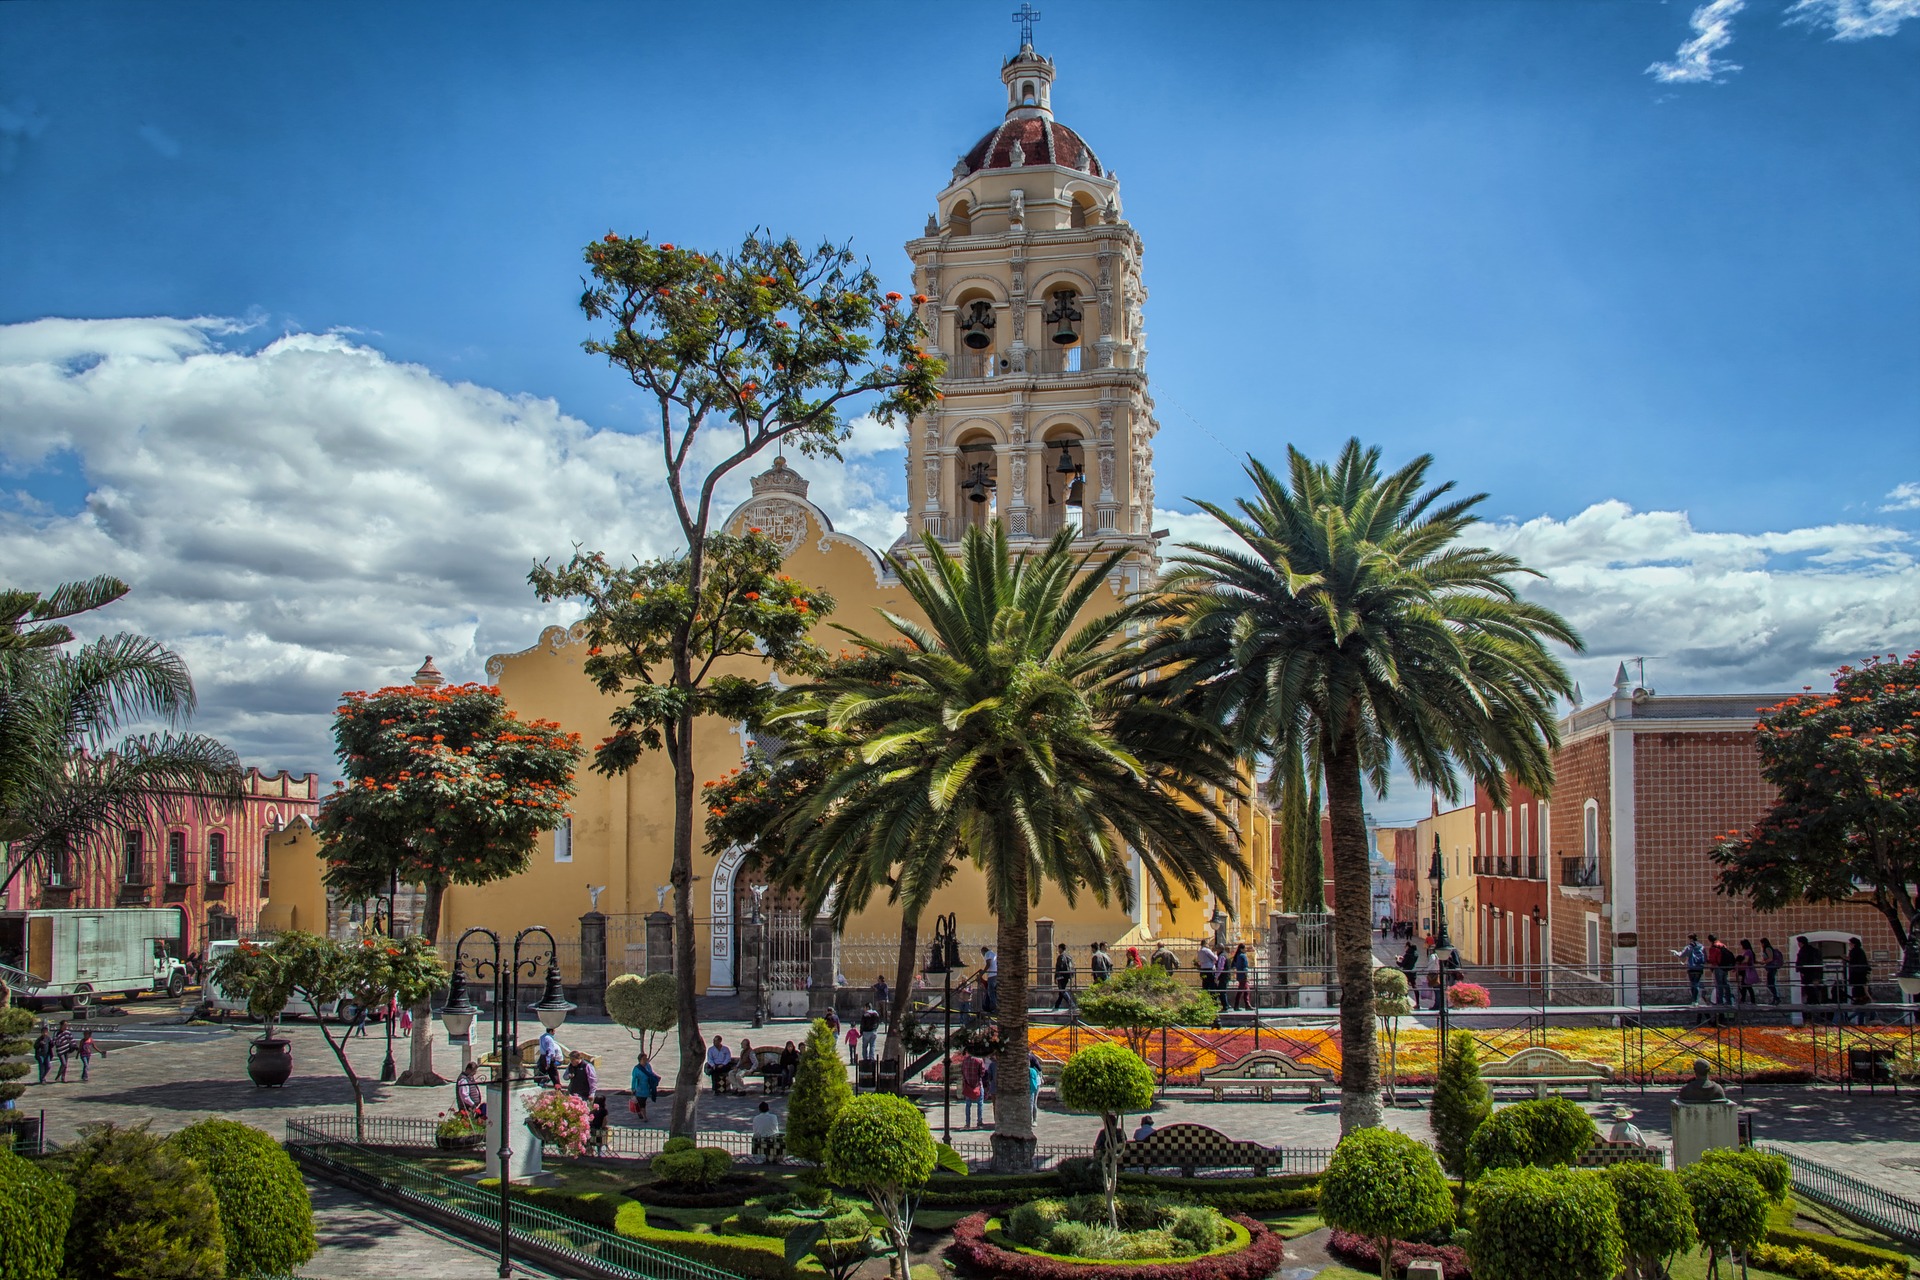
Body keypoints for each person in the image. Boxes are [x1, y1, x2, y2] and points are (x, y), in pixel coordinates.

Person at [1795, 937, 1825, 1018]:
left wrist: (1800, 970)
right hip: (1816, 974)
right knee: (1814, 990)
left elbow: (1801, 962)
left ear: (1801, 943)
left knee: (1809, 989)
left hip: (1807, 974)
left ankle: (1812, 1005)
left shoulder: (1803, 951)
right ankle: (1815, 1005)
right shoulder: (1814, 950)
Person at [1847, 937, 1873, 1023]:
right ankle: (1858, 1021)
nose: (1849, 946)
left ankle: (1853, 1019)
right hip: (1860, 977)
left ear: (1853, 944)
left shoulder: (1855, 952)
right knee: (1863, 1008)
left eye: (1850, 944)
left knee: (1862, 1006)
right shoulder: (1860, 951)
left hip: (1858, 977)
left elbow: (1854, 962)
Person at [630, 1052, 660, 1122]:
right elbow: (634, 1079)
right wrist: (633, 1088)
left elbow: (651, 1073)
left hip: (647, 1088)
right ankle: (645, 1117)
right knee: (642, 1103)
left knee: (643, 1102)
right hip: (639, 1089)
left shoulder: (648, 1066)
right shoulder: (636, 1069)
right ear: (640, 1060)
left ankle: (639, 1112)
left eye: (646, 1058)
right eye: (644, 1058)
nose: (646, 1060)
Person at [960, 1049, 986, 1129]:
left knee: (968, 1105)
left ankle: (967, 1123)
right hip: (977, 1085)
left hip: (968, 1086)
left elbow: (962, 1072)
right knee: (980, 1104)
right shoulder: (979, 1060)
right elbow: (982, 1073)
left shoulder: (965, 1061)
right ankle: (979, 1122)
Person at [1677, 934, 1706, 1005]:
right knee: (1696, 983)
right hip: (1700, 968)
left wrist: (1675, 952)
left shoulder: (1689, 947)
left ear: (1691, 939)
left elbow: (1681, 955)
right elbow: (1705, 958)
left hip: (1692, 968)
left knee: (1693, 984)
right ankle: (1696, 1000)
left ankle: (1694, 1000)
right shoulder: (1702, 947)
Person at [1707, 935, 1735, 1007]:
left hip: (1718, 967)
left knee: (1719, 984)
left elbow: (1713, 959)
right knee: (1725, 983)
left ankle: (1720, 1001)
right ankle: (1728, 1000)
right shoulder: (1723, 945)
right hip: (1725, 967)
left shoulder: (1713, 947)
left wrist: (1708, 961)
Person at [1051, 943, 1077, 1012]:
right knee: (1061, 992)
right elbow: (1072, 966)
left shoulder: (1061, 957)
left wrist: (1057, 977)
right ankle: (1056, 1006)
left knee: (1062, 991)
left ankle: (1072, 1004)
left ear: (1061, 949)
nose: (1058, 950)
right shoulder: (1069, 956)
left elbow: (1059, 967)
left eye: (1058, 949)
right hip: (1067, 976)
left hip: (1061, 976)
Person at [1761, 937, 1784, 1004]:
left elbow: (1770, 958)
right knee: (1770, 983)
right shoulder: (1768, 948)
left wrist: (1763, 962)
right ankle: (1775, 998)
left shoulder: (1768, 949)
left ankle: (1776, 998)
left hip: (1772, 968)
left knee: (1770, 984)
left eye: (1762, 943)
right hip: (1771, 968)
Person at [1397, 940, 1420, 1008]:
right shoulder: (1415, 953)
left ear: (1408, 946)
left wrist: (1397, 959)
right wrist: (1403, 958)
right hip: (1413, 971)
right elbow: (1410, 960)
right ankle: (1418, 1003)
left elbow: (1401, 964)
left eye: (1405, 946)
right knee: (1414, 986)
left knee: (1405, 987)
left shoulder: (1408, 954)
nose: (1405, 948)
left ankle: (1405, 1003)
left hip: (1407, 972)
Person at [1231, 942, 1252, 1011]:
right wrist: (1247, 976)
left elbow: (1234, 965)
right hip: (1243, 975)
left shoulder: (1237, 956)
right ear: (1241, 949)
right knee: (1241, 990)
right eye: (1244, 948)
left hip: (1239, 975)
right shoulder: (1243, 956)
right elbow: (1245, 967)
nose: (1245, 950)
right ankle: (1238, 1005)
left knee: (1246, 990)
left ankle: (1247, 1005)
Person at [1213, 947, 1232, 1012]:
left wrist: (1216, 976)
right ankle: (1226, 1005)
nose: (1216, 951)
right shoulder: (1226, 955)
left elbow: (1220, 967)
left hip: (1224, 976)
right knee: (1222, 991)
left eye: (1217, 949)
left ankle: (1225, 1006)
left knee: (1221, 991)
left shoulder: (1222, 956)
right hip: (1226, 975)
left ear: (1219, 949)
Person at [982, 947, 999, 1014]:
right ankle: (997, 1007)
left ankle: (995, 1008)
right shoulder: (993, 954)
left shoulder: (987, 954)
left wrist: (982, 973)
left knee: (991, 992)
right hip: (996, 974)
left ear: (983, 951)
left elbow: (988, 964)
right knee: (994, 992)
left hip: (991, 975)